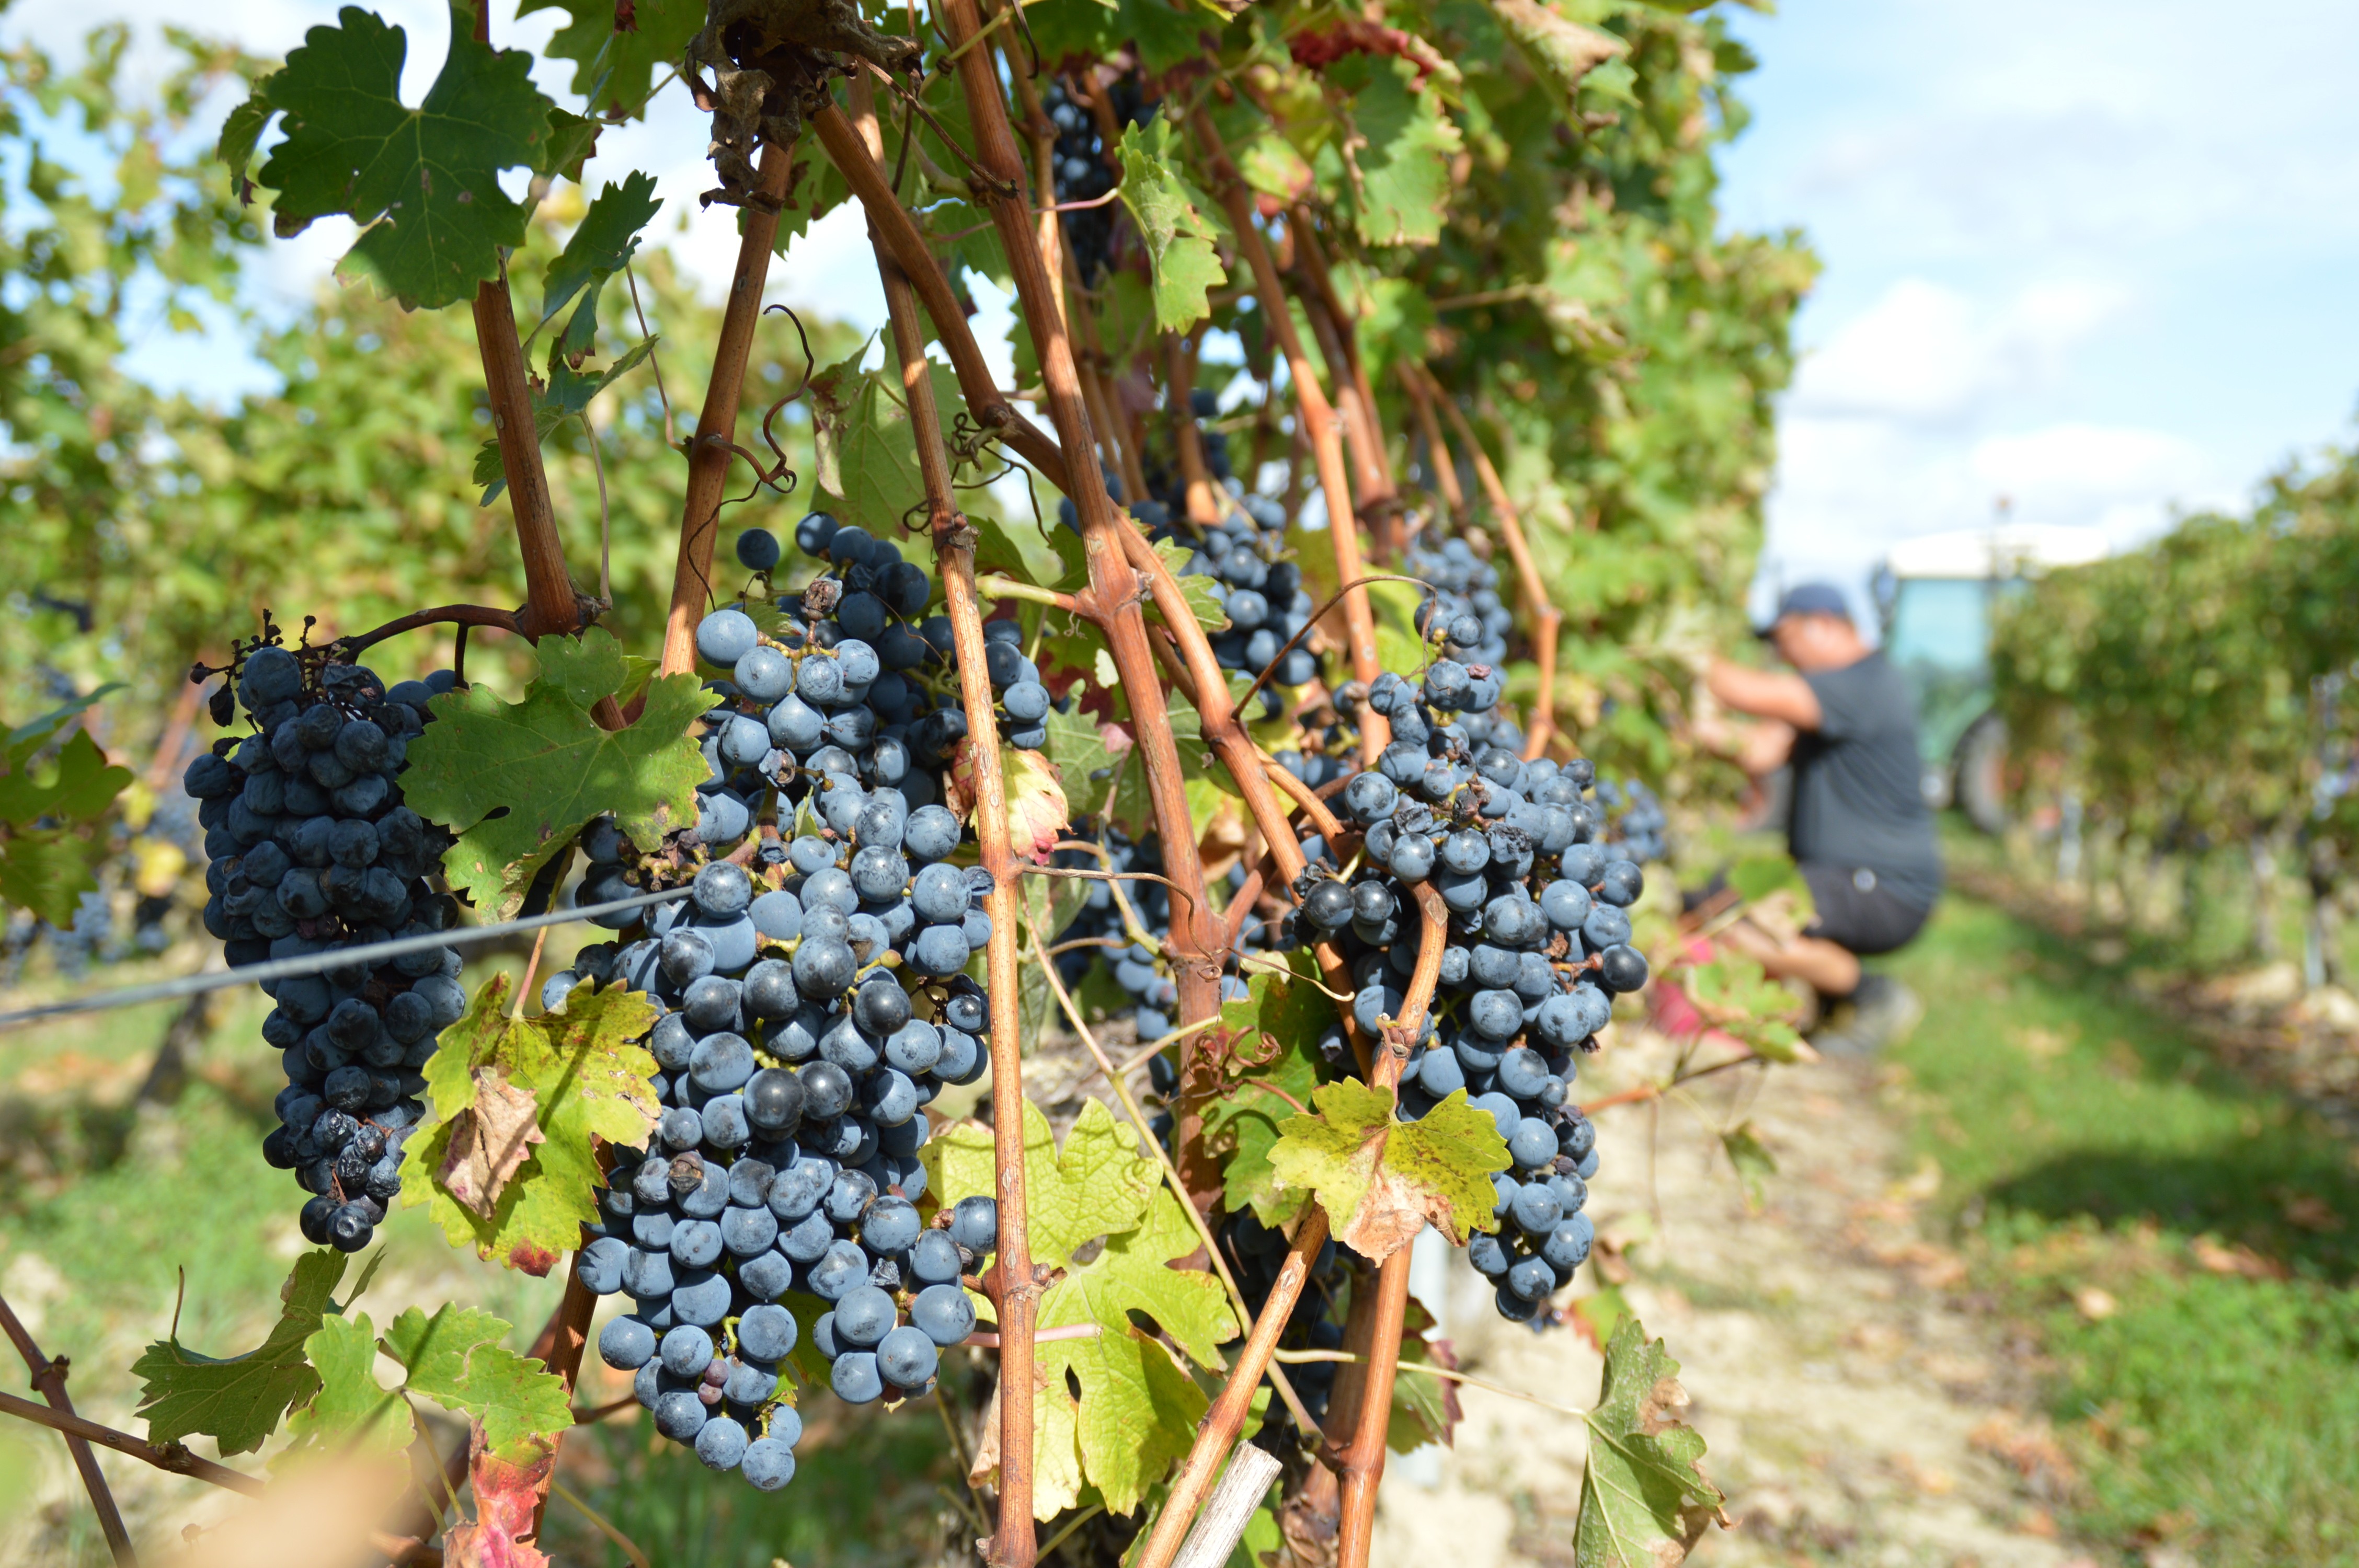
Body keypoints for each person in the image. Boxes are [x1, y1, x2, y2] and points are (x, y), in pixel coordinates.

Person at [1692, 582, 1939, 1053]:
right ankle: (1835, 1001)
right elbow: (1761, 751)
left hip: (1883, 887)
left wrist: (1685, 656)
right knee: (1716, 896)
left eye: (1784, 639)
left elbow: (1745, 690)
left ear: (1822, 625)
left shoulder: (1863, 682)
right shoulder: (1833, 695)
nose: (1782, 655)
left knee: (1732, 918)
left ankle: (1872, 995)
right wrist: (1696, 729)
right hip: (1845, 881)